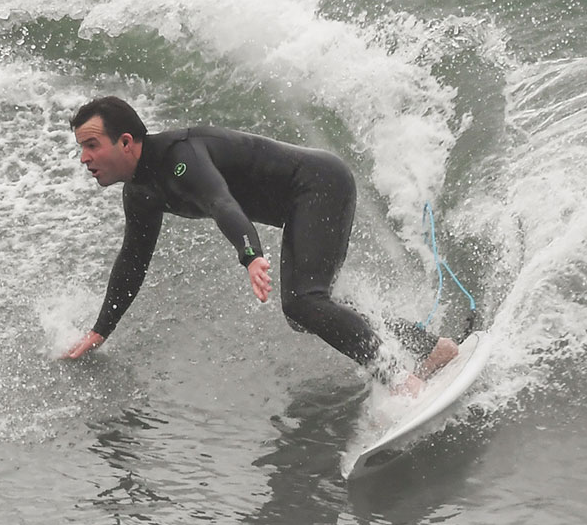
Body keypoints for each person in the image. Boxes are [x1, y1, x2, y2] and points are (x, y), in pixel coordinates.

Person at [61, 96, 456, 393]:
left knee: (305, 301)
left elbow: (220, 202)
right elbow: (132, 261)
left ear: (126, 142)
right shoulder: (140, 193)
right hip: (300, 204)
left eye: (92, 145)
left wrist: (251, 255)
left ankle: (401, 381)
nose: (84, 157)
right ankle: (432, 348)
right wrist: (101, 330)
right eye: (82, 147)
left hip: (320, 184)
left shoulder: (182, 156)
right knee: (306, 312)